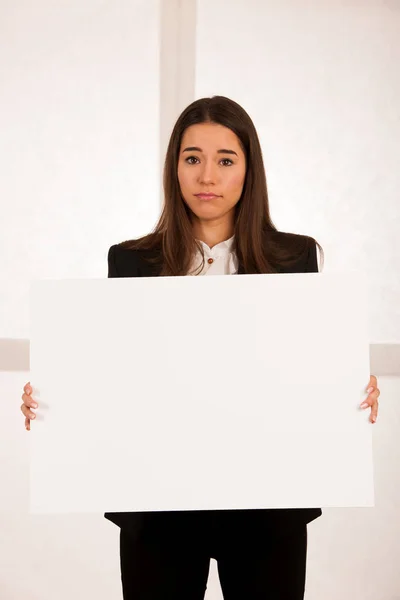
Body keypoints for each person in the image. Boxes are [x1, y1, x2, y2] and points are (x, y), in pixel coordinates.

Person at [20, 96, 380, 600]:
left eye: (225, 160)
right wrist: (58, 398)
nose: (206, 175)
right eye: (192, 158)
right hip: (158, 505)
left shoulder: (294, 258)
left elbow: (302, 370)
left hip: (267, 505)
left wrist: (347, 389)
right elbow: (117, 377)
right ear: (175, 168)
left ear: (248, 170)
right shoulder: (131, 262)